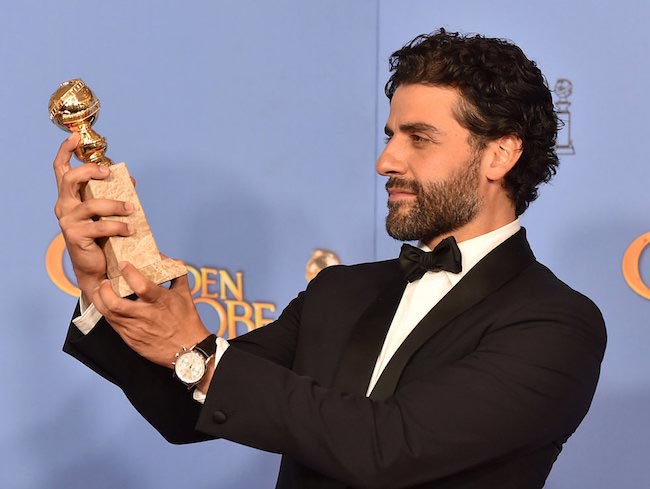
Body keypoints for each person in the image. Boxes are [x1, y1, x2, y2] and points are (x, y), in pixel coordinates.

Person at [54, 29, 606, 488]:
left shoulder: (556, 322)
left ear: (499, 154)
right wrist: (104, 280)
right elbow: (189, 410)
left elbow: (389, 448)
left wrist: (198, 351)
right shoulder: (339, 292)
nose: (386, 160)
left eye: (419, 138)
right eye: (391, 134)